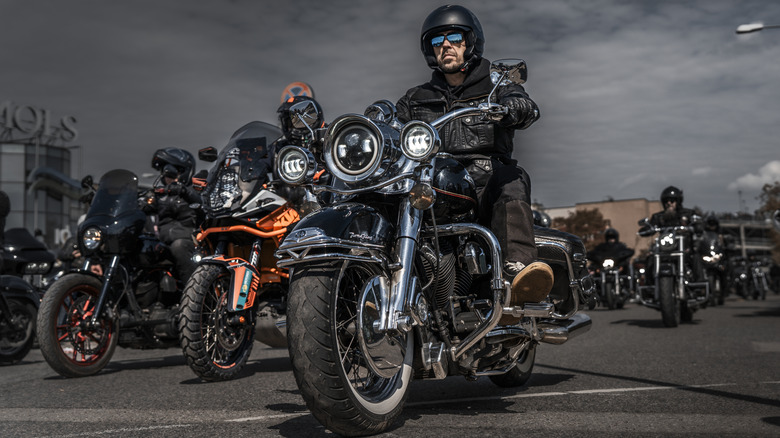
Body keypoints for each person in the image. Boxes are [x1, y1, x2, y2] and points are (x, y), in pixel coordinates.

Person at [395, 4, 552, 310]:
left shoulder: (497, 85)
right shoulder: (415, 99)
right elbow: (392, 125)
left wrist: (514, 108)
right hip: (436, 184)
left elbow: (525, 105)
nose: (446, 46)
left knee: (512, 177)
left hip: (485, 183)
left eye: (454, 37)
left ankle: (517, 271)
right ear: (429, 49)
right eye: (437, 40)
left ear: (471, 41)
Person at [149, 147, 201, 281]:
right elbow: (148, 205)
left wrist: (184, 191)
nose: (168, 177)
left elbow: (201, 203)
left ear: (183, 172)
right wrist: (141, 203)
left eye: (171, 172)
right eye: (165, 173)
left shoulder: (195, 190)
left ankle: (193, 291)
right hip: (165, 241)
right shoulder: (161, 195)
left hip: (191, 241)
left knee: (179, 246)